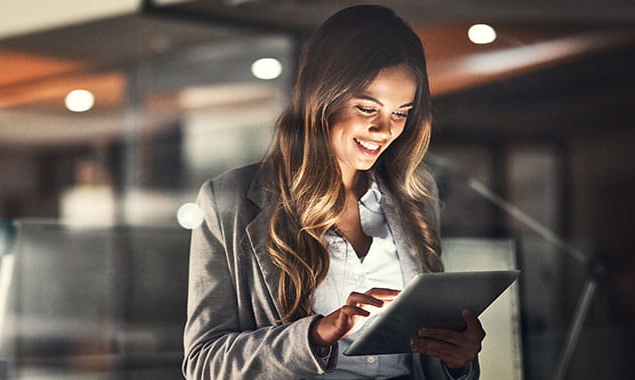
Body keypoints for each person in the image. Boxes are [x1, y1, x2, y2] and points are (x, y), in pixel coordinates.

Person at [182, 5, 485, 379]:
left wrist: (456, 361)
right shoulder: (229, 200)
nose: (383, 130)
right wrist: (315, 335)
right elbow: (204, 363)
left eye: (401, 112)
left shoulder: (415, 199)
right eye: (366, 107)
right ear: (322, 97)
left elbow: (426, 361)